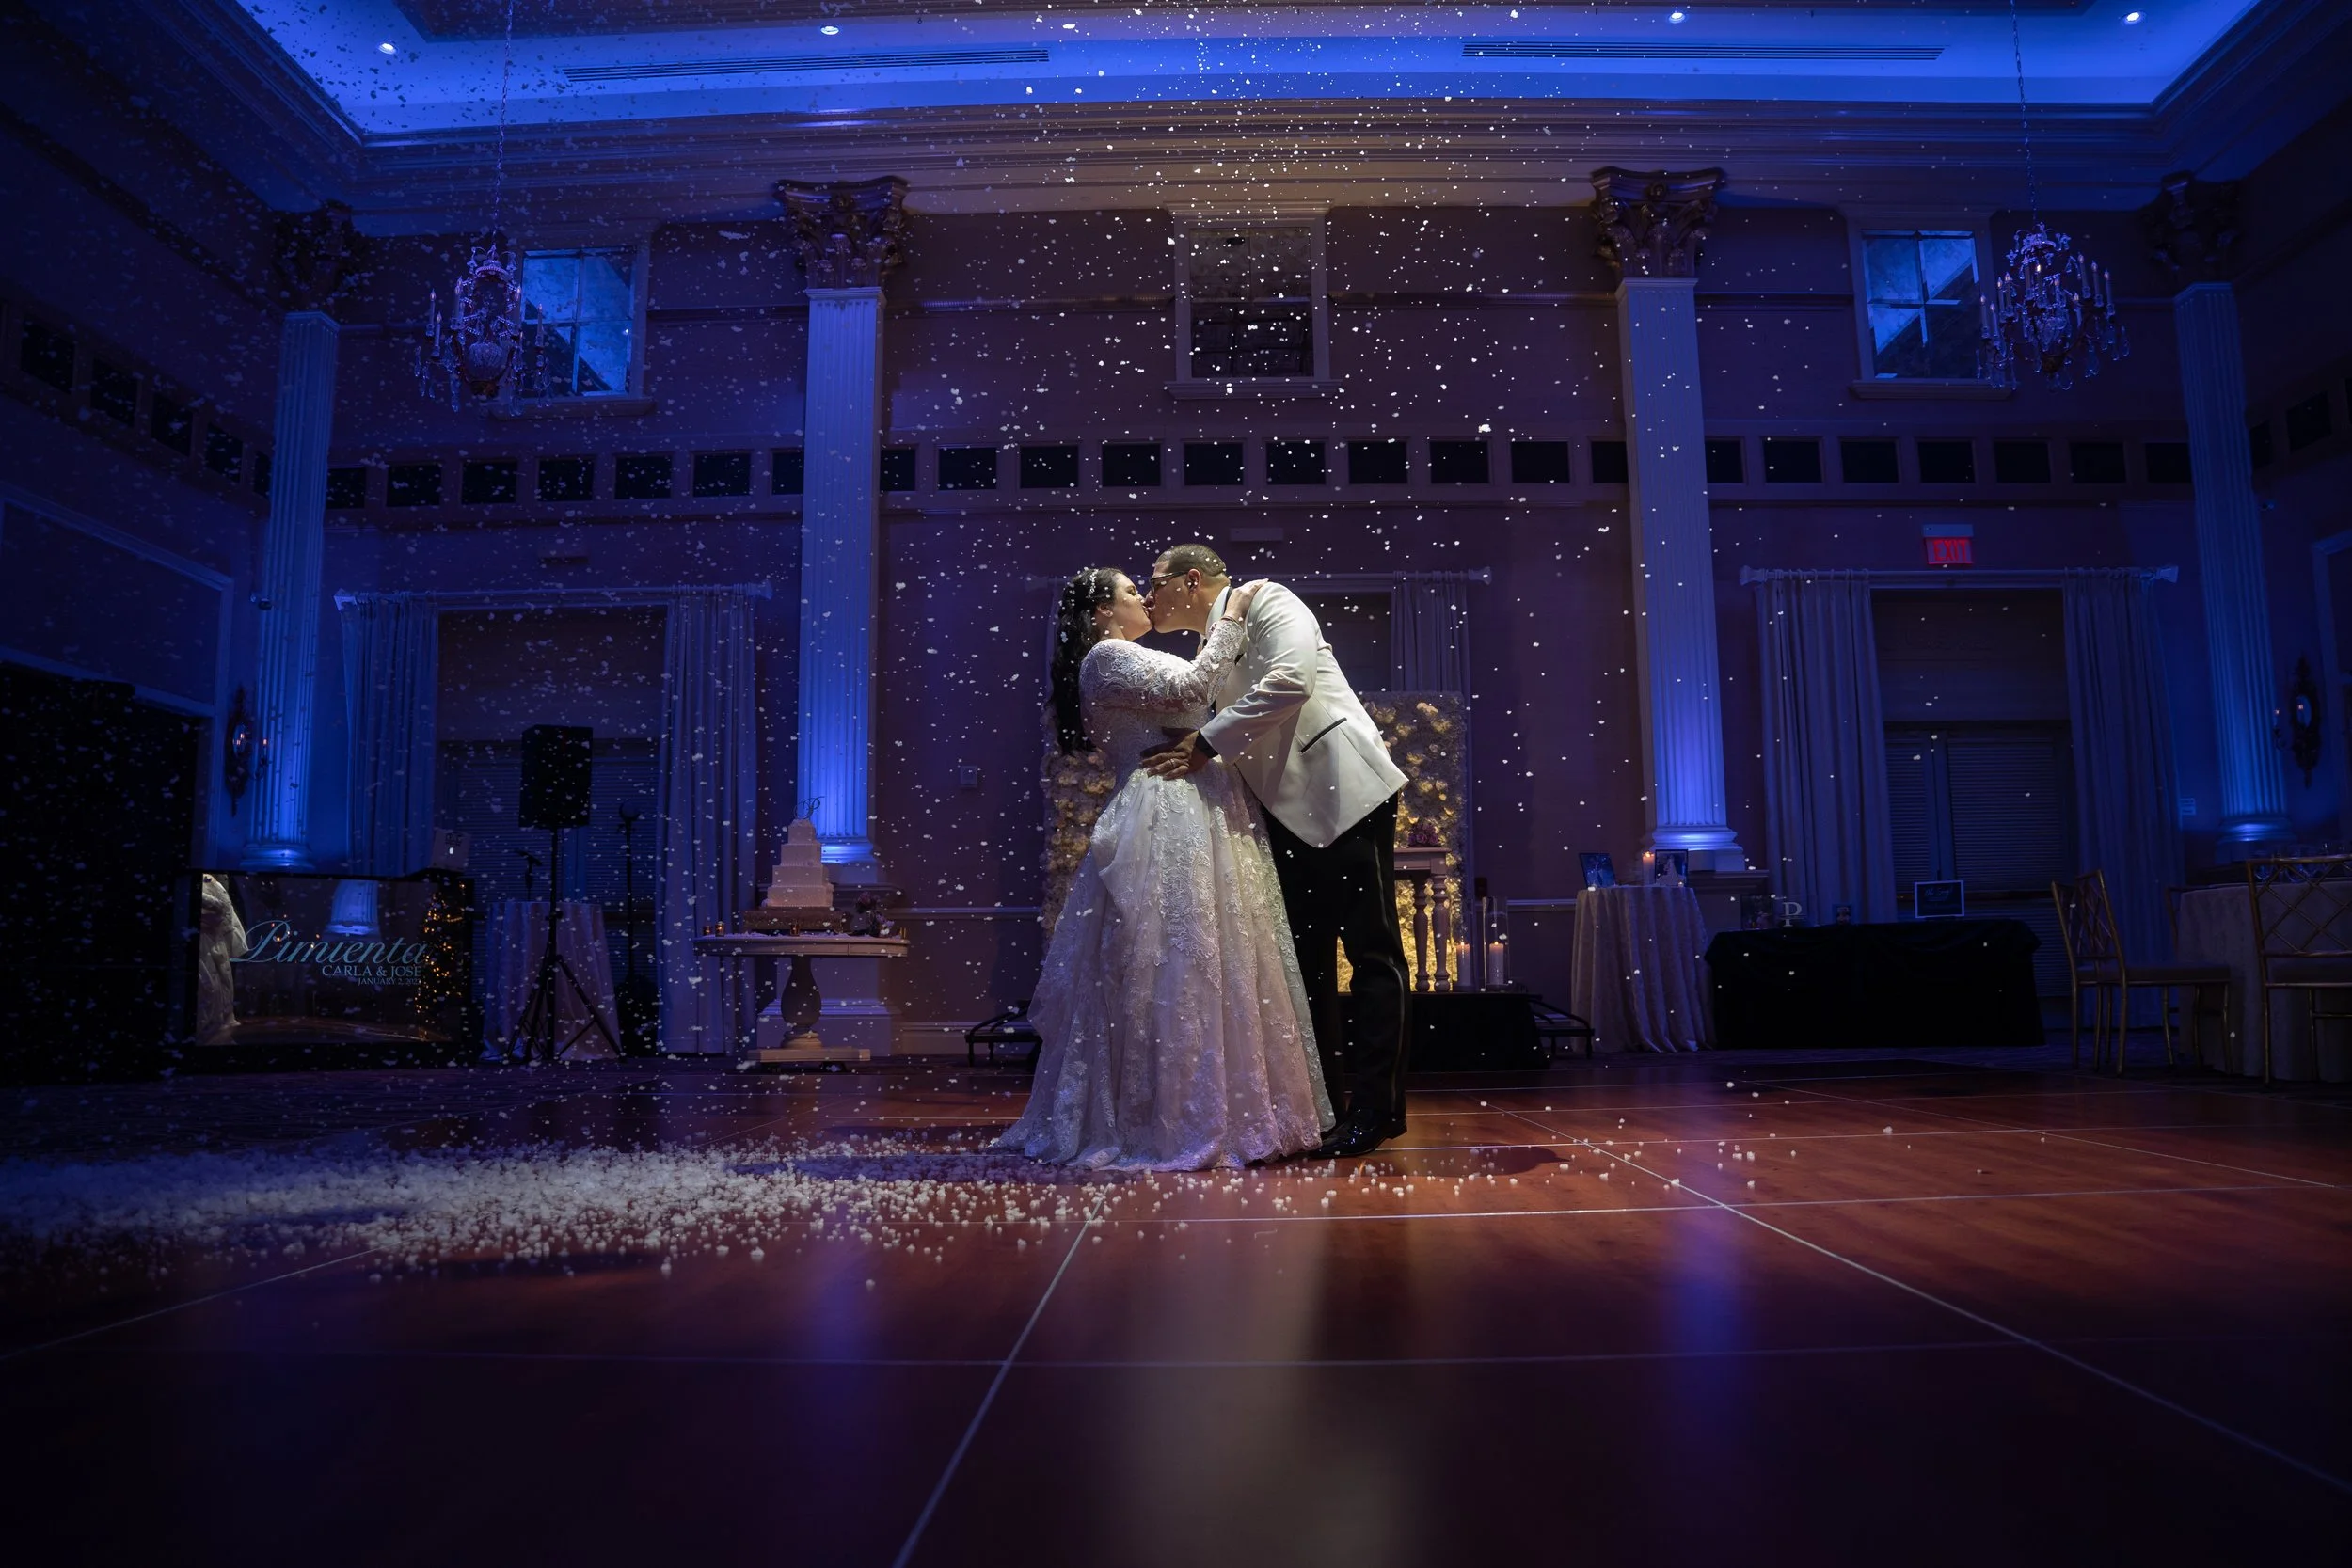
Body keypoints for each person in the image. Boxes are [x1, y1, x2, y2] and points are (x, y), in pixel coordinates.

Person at [997, 567, 1333, 1170]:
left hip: (1191, 804)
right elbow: (1194, 690)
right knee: (1175, 955)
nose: (1142, 598)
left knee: (1208, 952)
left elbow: (1193, 701)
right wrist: (1230, 622)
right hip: (1164, 809)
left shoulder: (1126, 656)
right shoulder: (1108, 656)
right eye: (1130, 591)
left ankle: (1214, 1105)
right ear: (1101, 612)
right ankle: (1170, 1115)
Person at [1142, 544, 1412, 1159]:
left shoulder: (1268, 598)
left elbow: (1290, 679)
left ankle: (1377, 1107)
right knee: (1304, 968)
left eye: (1152, 581)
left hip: (1345, 788)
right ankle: (1319, 1108)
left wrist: (1206, 743)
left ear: (1191, 578)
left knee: (1373, 951)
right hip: (1282, 816)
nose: (1148, 594)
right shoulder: (1209, 646)